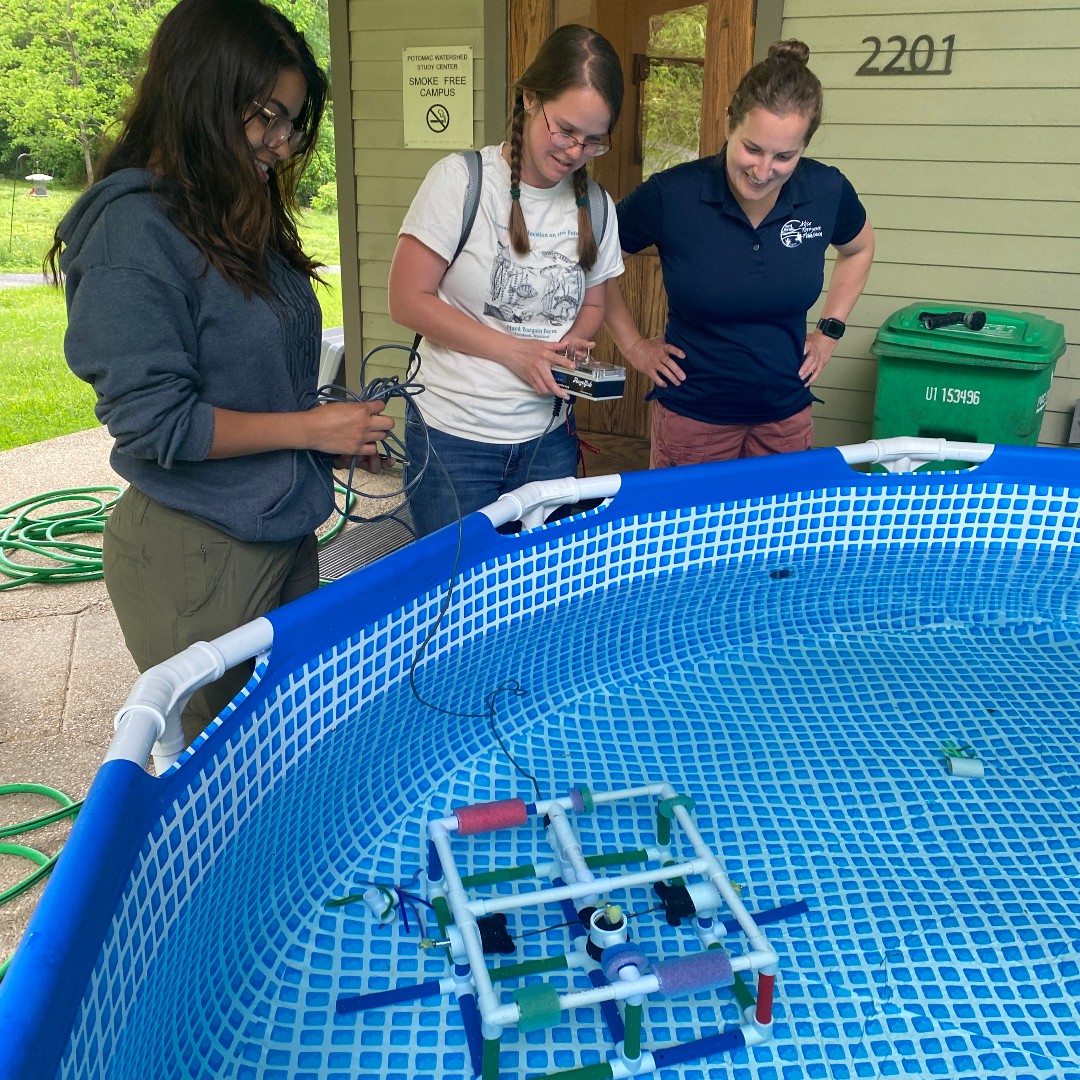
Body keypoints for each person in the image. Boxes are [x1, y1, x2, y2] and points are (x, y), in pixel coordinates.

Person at [45, 0, 394, 745]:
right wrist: (309, 425)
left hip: (284, 527)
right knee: (235, 769)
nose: (281, 142)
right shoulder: (130, 232)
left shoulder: (234, 207)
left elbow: (251, 371)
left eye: (292, 122)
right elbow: (155, 421)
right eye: (267, 116)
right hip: (197, 556)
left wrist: (325, 433)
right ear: (201, 92)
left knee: (299, 740)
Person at [388, 24, 625, 537]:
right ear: (529, 97)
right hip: (453, 439)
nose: (574, 151)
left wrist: (571, 347)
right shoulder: (461, 180)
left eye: (592, 141)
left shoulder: (598, 207)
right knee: (454, 595)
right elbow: (407, 300)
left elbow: (594, 305)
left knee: (536, 592)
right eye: (563, 129)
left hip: (547, 437)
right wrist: (516, 353)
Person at [606, 39, 875, 466]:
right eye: (752, 148)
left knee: (778, 533)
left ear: (805, 146)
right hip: (694, 419)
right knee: (690, 533)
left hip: (785, 418)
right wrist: (635, 346)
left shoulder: (826, 190)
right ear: (729, 122)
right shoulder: (671, 195)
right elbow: (597, 262)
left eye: (785, 156)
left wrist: (829, 333)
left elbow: (859, 248)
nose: (764, 170)